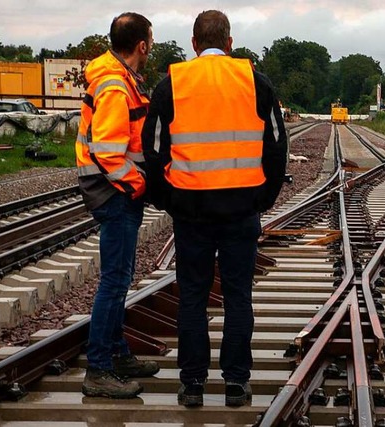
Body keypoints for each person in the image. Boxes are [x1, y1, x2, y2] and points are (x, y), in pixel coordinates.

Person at [142, 10, 288, 407]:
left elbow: (152, 151)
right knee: (239, 295)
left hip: (191, 209)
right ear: (229, 42)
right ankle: (237, 384)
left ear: (193, 43)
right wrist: (265, 196)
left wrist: (167, 199)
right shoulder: (255, 82)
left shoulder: (171, 84)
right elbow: (277, 145)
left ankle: (192, 384)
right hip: (243, 207)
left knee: (192, 295)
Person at [76, 12, 160, 399]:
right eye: (151, 40)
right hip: (115, 191)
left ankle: (117, 352)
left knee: (120, 277)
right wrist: (139, 183)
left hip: (116, 189)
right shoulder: (114, 84)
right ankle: (99, 369)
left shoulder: (121, 76)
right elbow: (109, 151)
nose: (152, 46)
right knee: (113, 281)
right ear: (142, 44)